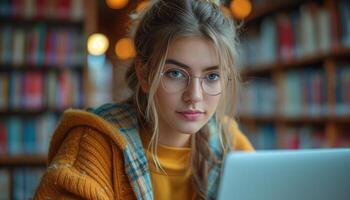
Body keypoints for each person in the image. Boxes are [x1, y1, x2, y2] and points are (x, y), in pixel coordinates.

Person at [34, 0, 254, 199]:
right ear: (144, 74)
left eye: (212, 76)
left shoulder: (229, 142)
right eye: (175, 73)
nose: (194, 96)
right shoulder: (93, 146)